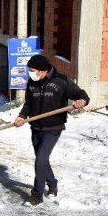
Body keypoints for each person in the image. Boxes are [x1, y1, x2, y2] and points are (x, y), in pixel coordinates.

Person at [13, 54, 89, 205]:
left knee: (40, 160)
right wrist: (22, 116)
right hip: (35, 127)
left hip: (53, 128)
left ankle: (36, 195)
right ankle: (52, 183)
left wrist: (82, 101)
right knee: (43, 160)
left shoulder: (61, 81)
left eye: (33, 70)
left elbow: (80, 94)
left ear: (42, 70)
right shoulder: (31, 83)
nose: (30, 73)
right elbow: (28, 103)